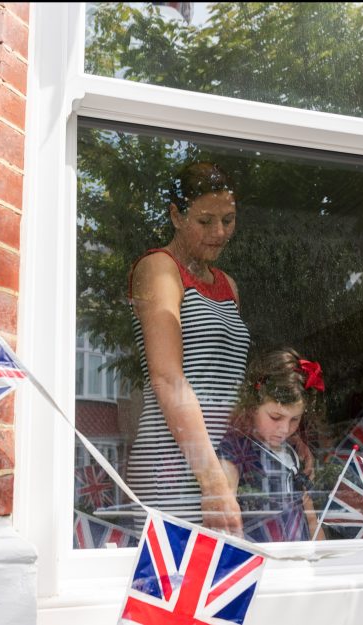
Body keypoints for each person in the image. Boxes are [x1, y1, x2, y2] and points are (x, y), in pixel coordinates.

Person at [125, 161, 250, 535]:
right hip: (172, 464)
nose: (219, 232)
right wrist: (211, 482)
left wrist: (229, 464)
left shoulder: (228, 284)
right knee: (178, 580)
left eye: (228, 220)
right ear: (177, 216)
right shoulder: (159, 268)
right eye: (205, 220)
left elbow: (229, 387)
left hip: (219, 466)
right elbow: (166, 377)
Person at [217, 348, 326, 541]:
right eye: (276, 417)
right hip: (261, 560)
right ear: (252, 406)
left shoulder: (293, 453)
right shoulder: (237, 450)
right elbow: (225, 517)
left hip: (299, 560)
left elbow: (310, 518)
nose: (284, 429)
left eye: (295, 419)